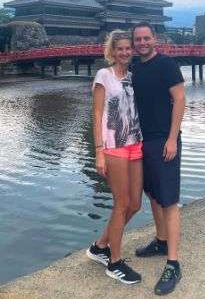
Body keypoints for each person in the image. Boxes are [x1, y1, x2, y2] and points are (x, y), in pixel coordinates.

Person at [130, 22, 186, 295]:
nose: (142, 43)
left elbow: (180, 99)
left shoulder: (167, 65)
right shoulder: (135, 68)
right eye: (138, 39)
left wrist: (172, 138)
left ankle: (173, 263)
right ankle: (161, 240)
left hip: (165, 139)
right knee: (153, 194)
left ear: (155, 39)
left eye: (146, 38)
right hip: (143, 140)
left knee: (169, 200)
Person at [86, 30, 144, 285]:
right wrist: (99, 151)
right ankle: (115, 262)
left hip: (135, 143)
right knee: (121, 204)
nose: (124, 52)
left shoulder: (132, 76)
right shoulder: (103, 76)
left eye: (128, 48)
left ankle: (100, 247)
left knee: (134, 204)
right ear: (112, 50)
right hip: (113, 146)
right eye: (119, 48)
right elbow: (97, 113)